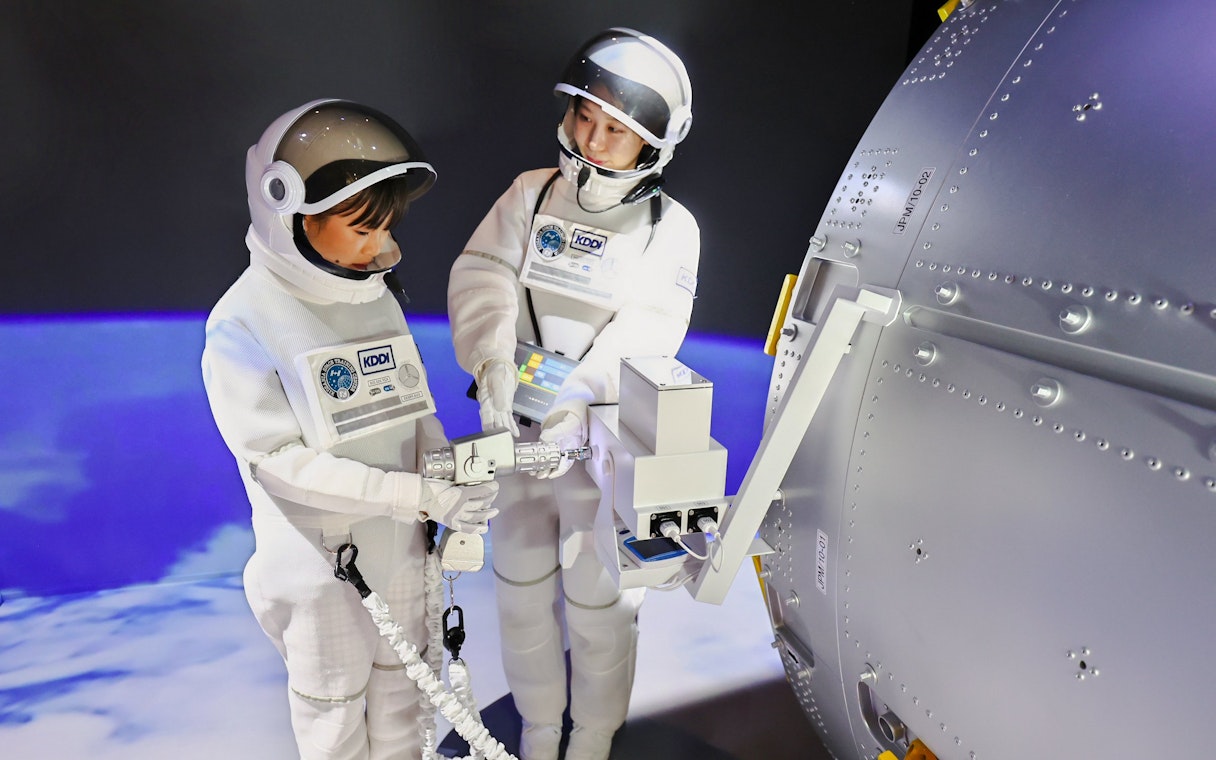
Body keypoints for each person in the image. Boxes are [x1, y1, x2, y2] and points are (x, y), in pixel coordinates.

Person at [202, 99, 500, 760]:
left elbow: (411, 409)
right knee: (334, 724)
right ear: (292, 212)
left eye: (385, 227)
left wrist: (451, 471)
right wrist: (417, 495)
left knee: (404, 709)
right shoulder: (245, 321)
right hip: (323, 567)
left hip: (403, 551)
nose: (379, 246)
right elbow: (280, 463)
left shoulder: (374, 296)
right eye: (362, 229)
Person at [447, 29, 699, 760]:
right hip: (519, 434)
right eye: (585, 116)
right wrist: (492, 364)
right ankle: (535, 728)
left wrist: (579, 402)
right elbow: (483, 274)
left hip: (598, 449)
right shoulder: (532, 193)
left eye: (615, 130)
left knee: (601, 606)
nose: (591, 138)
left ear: (651, 146)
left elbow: (651, 329)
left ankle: (590, 736)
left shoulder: (667, 228)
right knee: (520, 594)